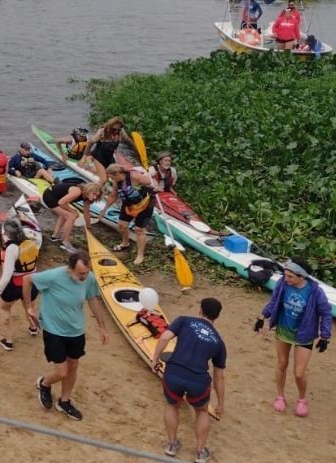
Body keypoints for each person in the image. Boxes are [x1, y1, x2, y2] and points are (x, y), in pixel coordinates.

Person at [25, 250, 110, 421]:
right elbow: (27, 280)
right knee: (62, 372)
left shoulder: (89, 278)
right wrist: (29, 307)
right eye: (81, 273)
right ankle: (44, 383)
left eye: (86, 272)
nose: (84, 276)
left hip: (76, 331)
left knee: (73, 366)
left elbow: (93, 299)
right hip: (53, 330)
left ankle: (64, 401)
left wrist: (102, 327)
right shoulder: (54, 276)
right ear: (70, 269)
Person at [153, 298, 227, 463]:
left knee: (172, 405)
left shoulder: (184, 320)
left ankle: (171, 445)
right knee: (201, 411)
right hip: (198, 381)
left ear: (200, 310)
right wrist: (220, 403)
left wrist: (155, 358)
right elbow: (219, 377)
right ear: (217, 317)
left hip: (174, 373)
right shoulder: (219, 343)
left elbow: (165, 337)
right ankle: (200, 453)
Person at [255, 259, 332, 417]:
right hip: (283, 330)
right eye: (285, 275)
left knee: (299, 373)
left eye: (290, 276)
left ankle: (302, 399)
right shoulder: (283, 284)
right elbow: (274, 302)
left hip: (304, 334)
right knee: (282, 364)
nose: (286, 279)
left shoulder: (315, 292)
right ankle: (280, 395)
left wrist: (325, 336)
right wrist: (262, 316)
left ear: (301, 276)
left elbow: (326, 313)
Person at [0, 216, 42, 351]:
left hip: (15, 285)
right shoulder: (30, 242)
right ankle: (33, 327)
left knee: (5, 308)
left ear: (5, 232)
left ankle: (8, 340)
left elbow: (7, 275)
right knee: (28, 305)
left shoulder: (11, 249)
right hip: (31, 282)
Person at [102, 163, 154, 266]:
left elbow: (150, 183)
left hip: (144, 204)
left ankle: (140, 255)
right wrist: (104, 210)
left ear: (118, 174)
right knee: (122, 224)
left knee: (139, 230)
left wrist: (140, 187)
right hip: (129, 204)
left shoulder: (135, 176)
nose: (111, 179)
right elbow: (113, 196)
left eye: (112, 177)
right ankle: (125, 242)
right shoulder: (117, 182)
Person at [40, 179, 103, 252]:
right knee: (71, 216)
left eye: (97, 195)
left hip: (58, 198)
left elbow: (86, 212)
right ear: (89, 190)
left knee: (67, 214)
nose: (95, 197)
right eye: (94, 194)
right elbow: (61, 202)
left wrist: (88, 227)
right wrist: (72, 210)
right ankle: (65, 242)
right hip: (49, 196)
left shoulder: (87, 197)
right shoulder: (77, 191)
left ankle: (54, 236)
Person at [87, 116, 125, 180]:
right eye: (114, 129)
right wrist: (86, 157)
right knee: (103, 177)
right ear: (109, 126)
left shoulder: (120, 133)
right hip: (97, 159)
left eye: (118, 130)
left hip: (109, 159)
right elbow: (90, 143)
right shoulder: (102, 132)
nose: (116, 131)